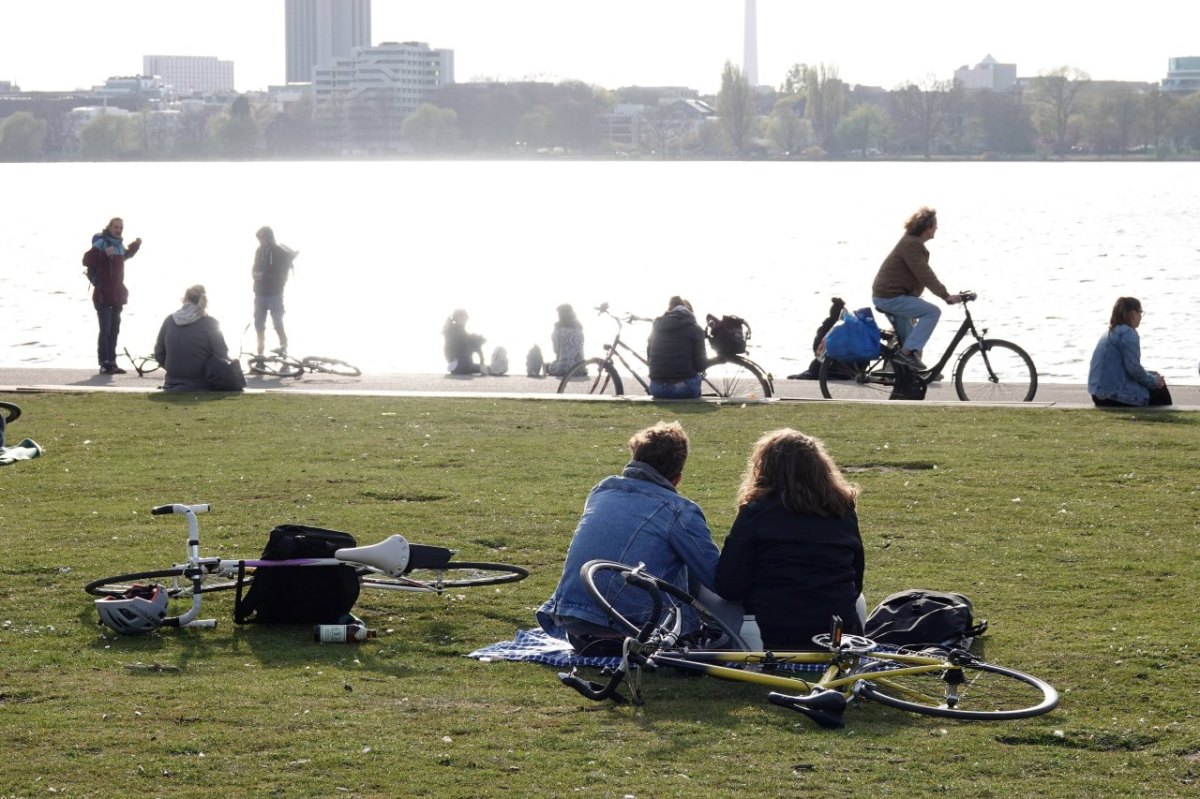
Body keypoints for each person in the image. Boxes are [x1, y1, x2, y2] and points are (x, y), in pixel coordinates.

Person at [536, 421, 721, 653]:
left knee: (669, 551)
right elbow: (717, 579)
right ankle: (693, 630)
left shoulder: (602, 490)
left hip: (575, 625)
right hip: (631, 630)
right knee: (685, 557)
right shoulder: (679, 510)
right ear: (677, 479)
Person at [714, 429, 865, 651]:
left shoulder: (756, 513)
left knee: (705, 593)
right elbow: (856, 579)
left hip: (772, 632)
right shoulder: (842, 511)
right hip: (832, 632)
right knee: (857, 600)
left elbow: (729, 586)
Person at [871, 207, 963, 371]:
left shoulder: (911, 242)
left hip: (892, 296)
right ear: (927, 228)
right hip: (890, 297)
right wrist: (945, 295)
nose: (937, 228)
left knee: (911, 338)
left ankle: (908, 373)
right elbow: (924, 274)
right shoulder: (912, 245)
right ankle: (905, 355)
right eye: (935, 225)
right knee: (932, 312)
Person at [1087, 296, 1172, 407]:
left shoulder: (1110, 331)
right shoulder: (1128, 333)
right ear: (1132, 313)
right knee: (1160, 386)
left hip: (1098, 393)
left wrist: (1152, 377)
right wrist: (1154, 381)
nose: (1141, 317)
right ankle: (1166, 415)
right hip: (1112, 396)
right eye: (1140, 312)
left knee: (1154, 376)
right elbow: (1133, 368)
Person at [153, 285, 235, 392]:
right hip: (201, 382)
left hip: (171, 382)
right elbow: (222, 353)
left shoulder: (169, 320)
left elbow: (159, 353)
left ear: (185, 298)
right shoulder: (210, 322)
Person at [88, 217, 142, 374]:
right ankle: (104, 364)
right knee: (105, 331)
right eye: (116, 227)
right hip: (102, 296)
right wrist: (104, 253)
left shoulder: (119, 246)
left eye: (120, 228)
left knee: (114, 330)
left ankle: (112, 362)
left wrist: (135, 246)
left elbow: (125, 256)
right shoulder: (101, 243)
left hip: (117, 295)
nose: (118, 230)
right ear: (109, 227)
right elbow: (87, 260)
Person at [647, 296, 707, 398]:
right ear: (690, 313)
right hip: (683, 389)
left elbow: (649, 359)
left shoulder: (656, 327)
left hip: (657, 388)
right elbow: (700, 366)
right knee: (697, 377)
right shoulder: (695, 329)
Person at [251, 226, 297, 357]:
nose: (261, 240)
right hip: (259, 293)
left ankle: (284, 347)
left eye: (263, 237)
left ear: (269, 237)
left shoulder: (278, 252)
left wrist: (263, 276)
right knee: (258, 323)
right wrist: (254, 274)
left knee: (277, 322)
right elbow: (254, 267)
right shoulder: (259, 251)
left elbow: (281, 275)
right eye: (259, 238)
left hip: (275, 293)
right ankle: (260, 351)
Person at [545, 303, 585, 376]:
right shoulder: (579, 327)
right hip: (580, 369)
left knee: (548, 366)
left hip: (565, 369)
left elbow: (556, 350)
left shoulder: (559, 329)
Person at [442, 309, 487, 375]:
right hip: (458, 365)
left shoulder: (462, 333)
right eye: (460, 316)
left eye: (464, 316)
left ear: (466, 319)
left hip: (460, 366)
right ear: (455, 318)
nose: (462, 318)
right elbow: (447, 333)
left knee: (485, 367)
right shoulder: (451, 329)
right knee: (473, 340)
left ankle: (484, 368)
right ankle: (484, 368)